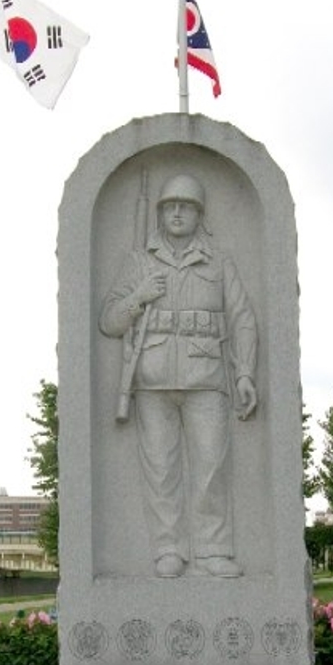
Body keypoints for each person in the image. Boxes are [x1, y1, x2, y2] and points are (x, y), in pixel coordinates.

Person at [100, 173, 257, 578]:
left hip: (207, 378)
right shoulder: (139, 262)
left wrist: (245, 373)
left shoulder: (219, 262)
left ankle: (213, 550)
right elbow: (109, 322)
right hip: (152, 381)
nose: (176, 212)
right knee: (161, 471)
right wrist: (139, 297)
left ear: (199, 214)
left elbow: (242, 318)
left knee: (211, 469)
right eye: (169, 206)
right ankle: (168, 549)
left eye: (185, 206)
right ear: (158, 212)